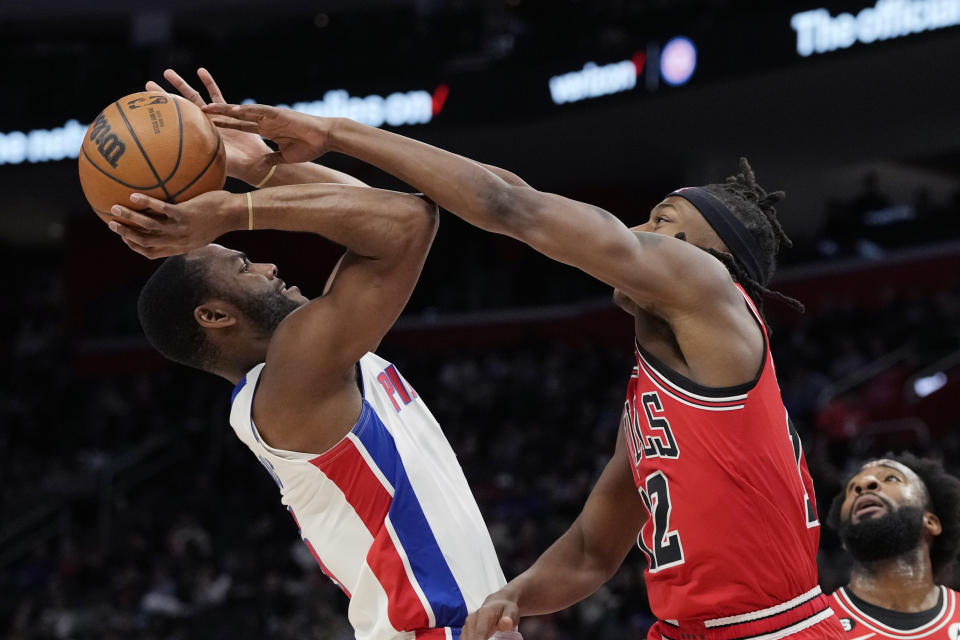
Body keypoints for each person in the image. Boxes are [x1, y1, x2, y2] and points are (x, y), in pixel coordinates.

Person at [197, 102, 847, 640]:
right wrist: (513, 597)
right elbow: (594, 549)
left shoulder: (707, 286)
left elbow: (514, 206)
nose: (635, 230)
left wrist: (332, 132)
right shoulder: (652, 394)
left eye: (661, 223)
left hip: (775, 628)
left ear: (713, 257)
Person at [108, 69, 517, 640]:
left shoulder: (317, 361)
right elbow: (407, 220)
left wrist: (256, 165)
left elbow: (388, 209)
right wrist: (231, 209)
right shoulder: (291, 381)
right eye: (246, 266)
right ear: (215, 316)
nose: (271, 267)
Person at [825, 454, 960, 640]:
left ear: (931, 522)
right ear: (844, 541)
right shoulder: (818, 625)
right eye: (851, 488)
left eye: (891, 478)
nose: (863, 484)